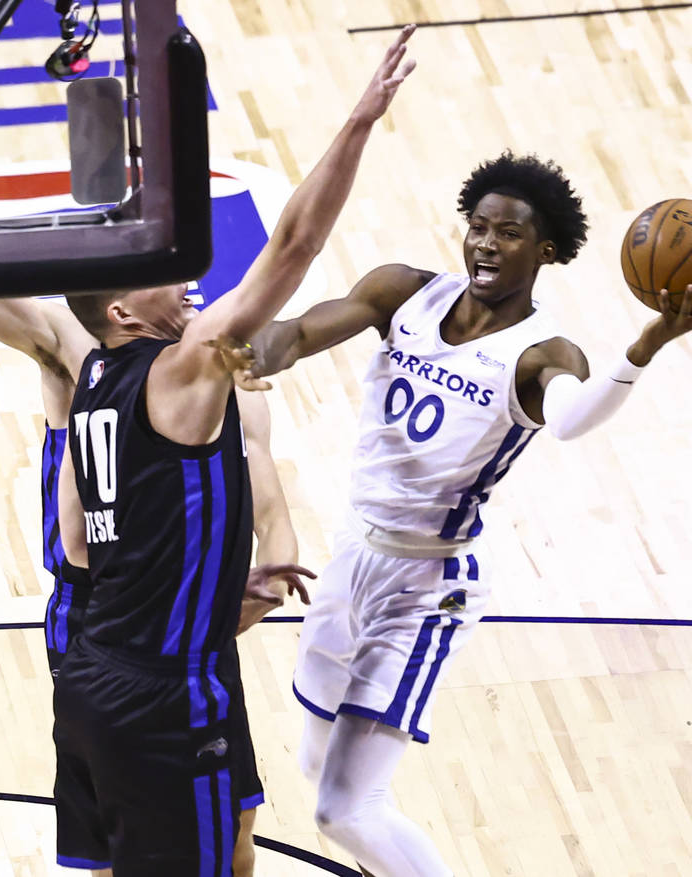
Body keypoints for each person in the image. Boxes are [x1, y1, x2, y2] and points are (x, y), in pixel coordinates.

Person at [0, 35, 315, 876]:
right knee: (119, 851)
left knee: (239, 836)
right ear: (119, 298)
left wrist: (276, 557)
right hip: (105, 630)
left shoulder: (210, 357)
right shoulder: (80, 347)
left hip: (194, 629)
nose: (183, 268)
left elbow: (260, 466)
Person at [239, 151, 692, 876]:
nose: (487, 243)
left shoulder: (541, 352)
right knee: (316, 763)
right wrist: (260, 350)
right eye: (479, 226)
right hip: (350, 557)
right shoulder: (404, 293)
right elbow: (304, 329)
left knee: (345, 808)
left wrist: (646, 344)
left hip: (428, 583)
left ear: (547, 250)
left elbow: (568, 420)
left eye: (509, 232)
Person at [50, 26, 418, 875]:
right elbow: (291, 251)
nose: (185, 275)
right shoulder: (180, 370)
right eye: (159, 270)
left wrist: (201, 583)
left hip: (100, 670)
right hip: (167, 692)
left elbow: (78, 542)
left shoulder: (93, 381)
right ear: (121, 312)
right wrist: (359, 121)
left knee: (214, 848)